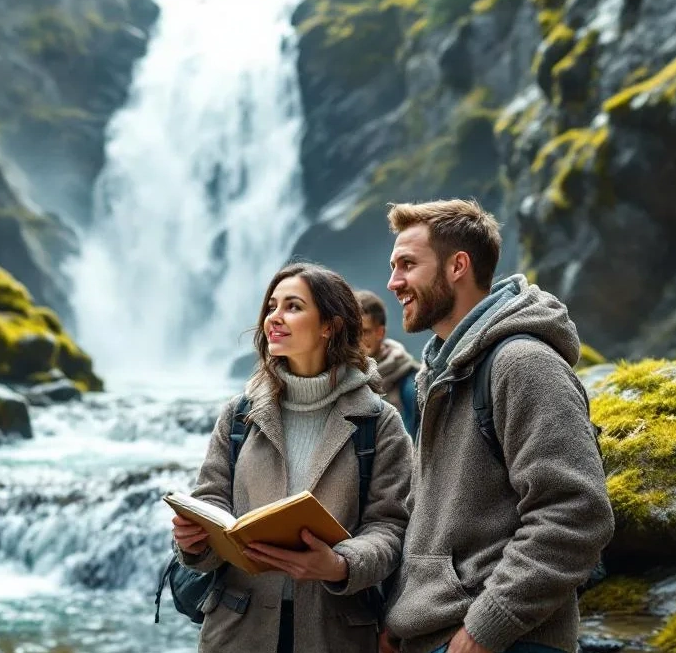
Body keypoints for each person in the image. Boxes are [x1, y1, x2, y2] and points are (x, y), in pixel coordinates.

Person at [379, 199, 613, 653]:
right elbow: (433, 518)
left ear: (457, 266)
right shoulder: (438, 372)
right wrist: (398, 619)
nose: (393, 283)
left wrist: (485, 630)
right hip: (436, 636)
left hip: (506, 643)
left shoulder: (523, 365)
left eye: (407, 264)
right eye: (393, 266)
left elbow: (576, 513)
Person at [172, 262, 414, 653]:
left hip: (334, 633)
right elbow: (211, 499)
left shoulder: (379, 422)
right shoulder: (238, 413)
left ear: (329, 326)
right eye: (271, 306)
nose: (274, 318)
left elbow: (390, 528)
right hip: (236, 631)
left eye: (293, 306)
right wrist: (193, 540)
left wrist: (340, 565)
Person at [355, 290, 421, 426]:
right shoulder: (340, 376)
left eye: (364, 332)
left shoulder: (411, 385)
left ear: (380, 332)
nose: (357, 339)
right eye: (352, 331)